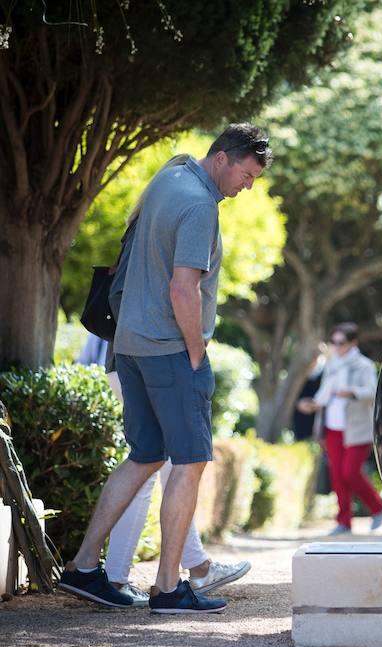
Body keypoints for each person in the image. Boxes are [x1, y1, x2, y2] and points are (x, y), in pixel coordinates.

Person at [59, 124, 272, 614]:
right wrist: (196, 356)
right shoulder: (200, 206)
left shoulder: (171, 173)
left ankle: (84, 567)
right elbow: (184, 289)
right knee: (191, 462)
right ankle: (168, 588)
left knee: (145, 455)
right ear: (222, 159)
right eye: (246, 174)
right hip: (167, 348)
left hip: (129, 344)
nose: (247, 187)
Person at [297, 323, 382, 536]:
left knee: (350, 472)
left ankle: (378, 507)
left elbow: (373, 391)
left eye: (342, 343)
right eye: (334, 342)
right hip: (332, 428)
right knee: (337, 476)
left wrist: (351, 392)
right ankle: (344, 521)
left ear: (353, 342)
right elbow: (324, 394)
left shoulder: (363, 365)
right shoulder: (331, 364)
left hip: (357, 429)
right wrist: (311, 404)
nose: (337, 347)